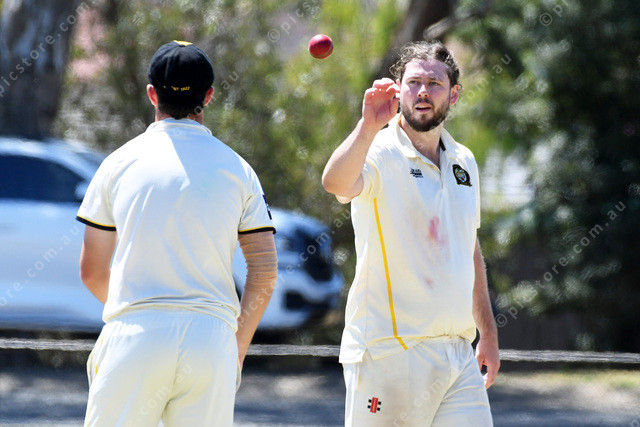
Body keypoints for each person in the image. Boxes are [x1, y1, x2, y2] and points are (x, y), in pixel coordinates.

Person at [76, 40, 277, 426]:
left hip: (134, 336)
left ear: (152, 94)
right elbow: (265, 271)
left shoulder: (117, 163)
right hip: (211, 340)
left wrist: (143, 310)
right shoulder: (238, 169)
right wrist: (235, 345)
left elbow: (91, 271)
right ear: (209, 95)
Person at [322, 41, 500, 426]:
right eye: (413, 82)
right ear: (398, 89)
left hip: (457, 352)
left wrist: (487, 334)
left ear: (453, 95)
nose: (422, 92)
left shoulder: (464, 160)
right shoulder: (379, 149)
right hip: (389, 353)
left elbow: (469, 250)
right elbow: (335, 182)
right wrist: (367, 125)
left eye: (434, 84)